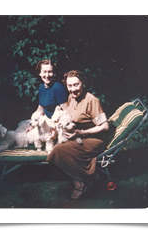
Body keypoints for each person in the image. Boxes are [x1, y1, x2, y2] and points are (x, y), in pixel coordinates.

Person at [47, 70, 109, 200]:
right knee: (58, 147)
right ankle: (91, 178)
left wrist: (81, 133)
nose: (73, 89)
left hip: (94, 140)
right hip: (78, 137)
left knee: (59, 150)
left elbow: (104, 126)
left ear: (83, 84)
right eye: (70, 86)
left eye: (76, 85)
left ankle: (79, 184)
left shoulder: (92, 100)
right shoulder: (72, 98)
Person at [26, 59, 68, 132]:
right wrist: (32, 125)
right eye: (44, 72)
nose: (47, 75)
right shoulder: (42, 87)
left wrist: (57, 128)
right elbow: (40, 110)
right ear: (40, 73)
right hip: (46, 123)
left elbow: (67, 111)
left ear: (54, 73)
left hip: (57, 126)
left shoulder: (58, 88)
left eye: (50, 72)